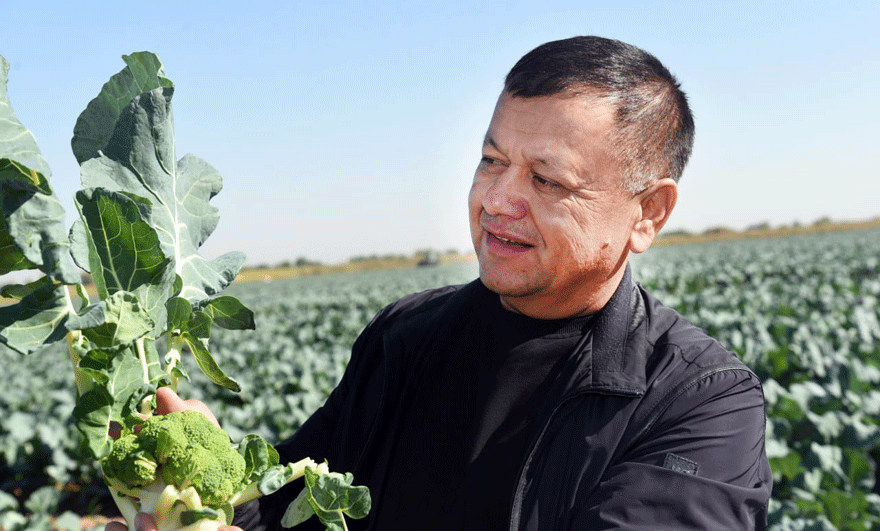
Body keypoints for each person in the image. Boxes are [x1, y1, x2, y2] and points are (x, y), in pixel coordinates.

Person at [108, 35, 772, 531]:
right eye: (491, 160)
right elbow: (290, 507)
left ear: (648, 213)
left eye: (546, 179)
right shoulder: (406, 335)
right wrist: (206, 493)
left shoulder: (701, 405)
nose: (498, 198)